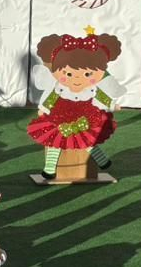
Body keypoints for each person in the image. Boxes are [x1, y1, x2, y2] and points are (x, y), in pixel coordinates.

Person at [27, 32, 123, 177]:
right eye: (69, 74)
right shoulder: (59, 88)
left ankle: (102, 161)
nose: (77, 78)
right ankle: (49, 169)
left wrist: (113, 105)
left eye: (87, 74)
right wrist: (43, 108)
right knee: (54, 143)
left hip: (85, 119)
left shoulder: (92, 89)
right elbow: (50, 99)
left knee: (88, 142)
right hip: (59, 119)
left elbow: (102, 98)